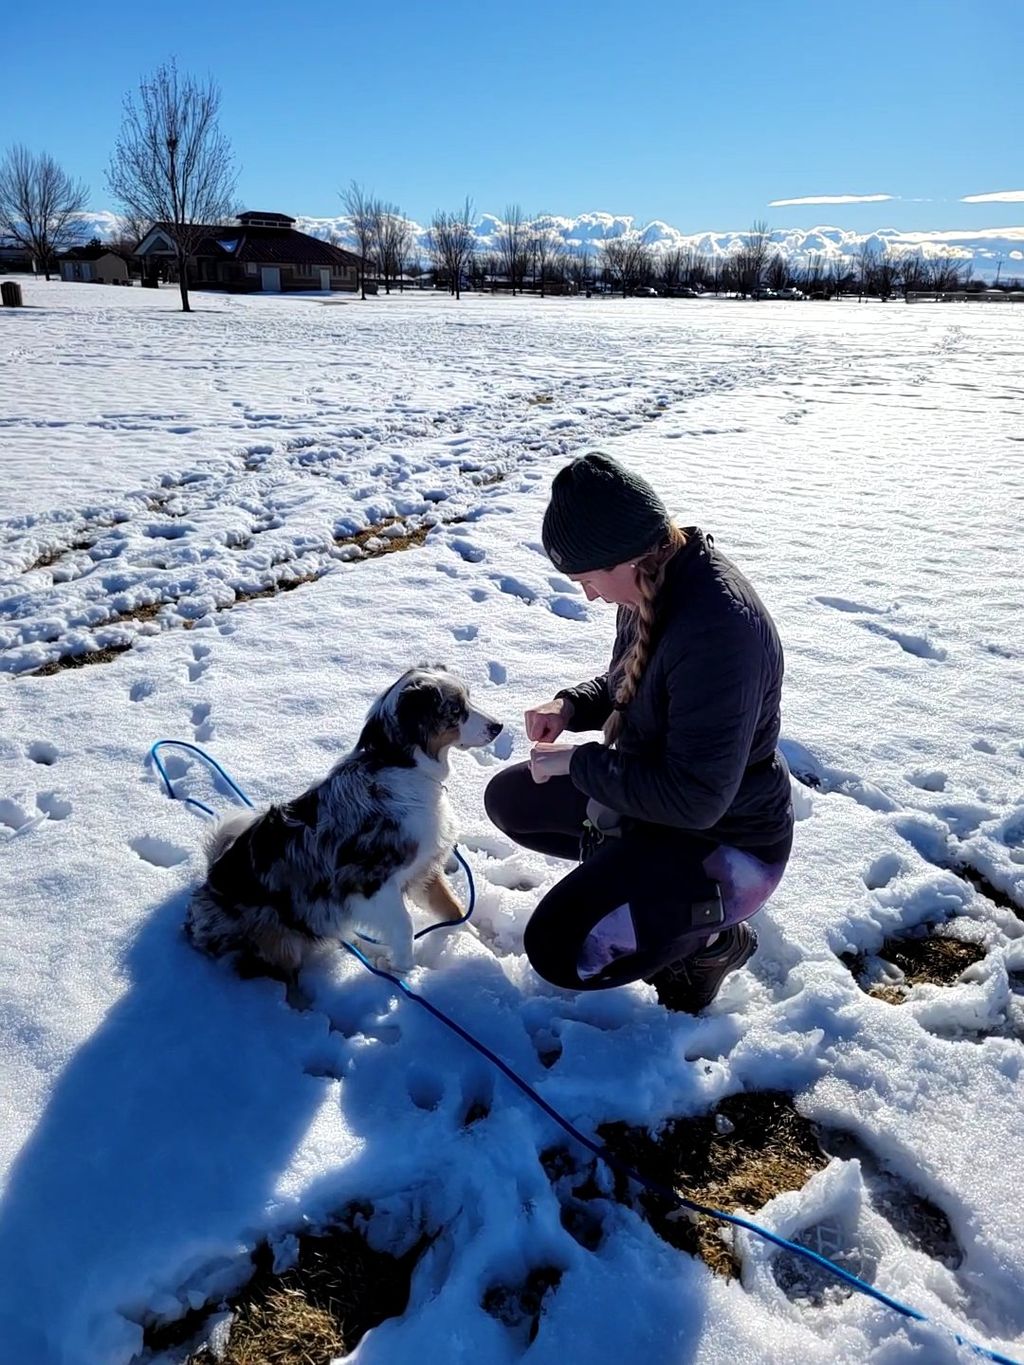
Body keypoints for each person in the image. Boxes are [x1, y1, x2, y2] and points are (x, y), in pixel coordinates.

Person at [484, 452, 794, 1013]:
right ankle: (629, 880)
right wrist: (572, 705)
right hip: (654, 807)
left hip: (725, 838)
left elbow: (695, 799)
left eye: (586, 579)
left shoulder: (718, 631)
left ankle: (708, 942)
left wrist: (579, 765)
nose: (589, 596)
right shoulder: (652, 579)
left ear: (622, 556)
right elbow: (633, 683)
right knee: (512, 799)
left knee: (559, 950)